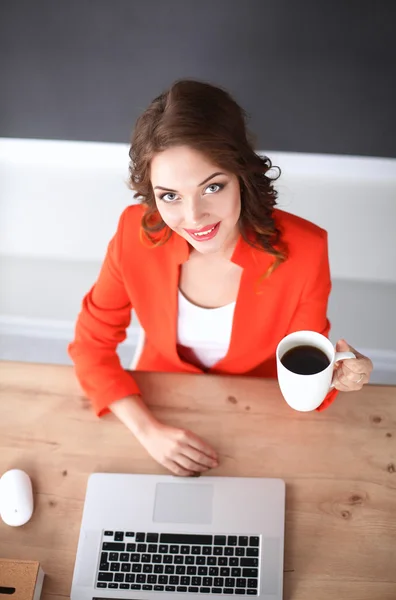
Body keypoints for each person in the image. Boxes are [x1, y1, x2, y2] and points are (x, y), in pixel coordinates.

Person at [68, 79, 373, 476]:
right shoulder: (134, 233)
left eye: (212, 187)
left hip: (261, 402)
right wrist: (149, 432)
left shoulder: (305, 249)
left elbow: (304, 375)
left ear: (241, 175)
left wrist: (336, 377)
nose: (193, 218)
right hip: (161, 394)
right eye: (170, 196)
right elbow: (91, 347)